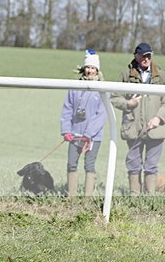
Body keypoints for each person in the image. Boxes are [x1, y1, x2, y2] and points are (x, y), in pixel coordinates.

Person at [110, 42, 165, 195]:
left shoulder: (161, 76)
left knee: (151, 166)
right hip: (133, 128)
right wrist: (129, 103)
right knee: (134, 164)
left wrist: (159, 118)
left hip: (156, 129)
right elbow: (114, 96)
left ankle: (149, 197)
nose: (146, 59)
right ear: (136, 56)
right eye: (143, 56)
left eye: (149, 56)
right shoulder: (126, 75)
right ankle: (134, 196)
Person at [60, 50, 107, 196]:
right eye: (88, 67)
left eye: (93, 68)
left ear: (97, 70)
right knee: (71, 164)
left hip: (93, 137)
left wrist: (88, 134)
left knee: (89, 165)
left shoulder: (103, 89)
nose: (90, 71)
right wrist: (66, 130)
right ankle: (71, 196)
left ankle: (88, 198)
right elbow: (67, 109)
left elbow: (101, 115)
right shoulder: (74, 86)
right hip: (74, 134)